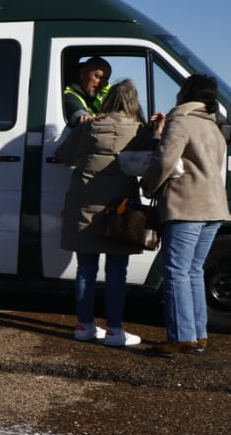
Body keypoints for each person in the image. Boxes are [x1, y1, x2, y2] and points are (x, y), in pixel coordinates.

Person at [54, 79, 156, 346]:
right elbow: (152, 160)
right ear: (134, 102)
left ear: (110, 99)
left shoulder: (88, 126)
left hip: (84, 205)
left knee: (85, 269)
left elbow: (62, 154)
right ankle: (114, 331)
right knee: (116, 271)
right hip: (119, 209)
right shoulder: (139, 130)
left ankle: (84, 326)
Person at [143, 73, 231, 354]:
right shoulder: (214, 127)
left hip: (187, 204)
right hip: (214, 206)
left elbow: (166, 159)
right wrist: (160, 132)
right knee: (193, 271)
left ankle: (181, 337)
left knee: (176, 271)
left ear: (186, 93)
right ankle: (197, 334)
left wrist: (148, 185)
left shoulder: (181, 120)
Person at [62, 56, 114, 126]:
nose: (101, 83)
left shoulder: (97, 96)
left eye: (105, 79)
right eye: (97, 76)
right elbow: (83, 120)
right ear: (82, 73)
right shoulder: (69, 97)